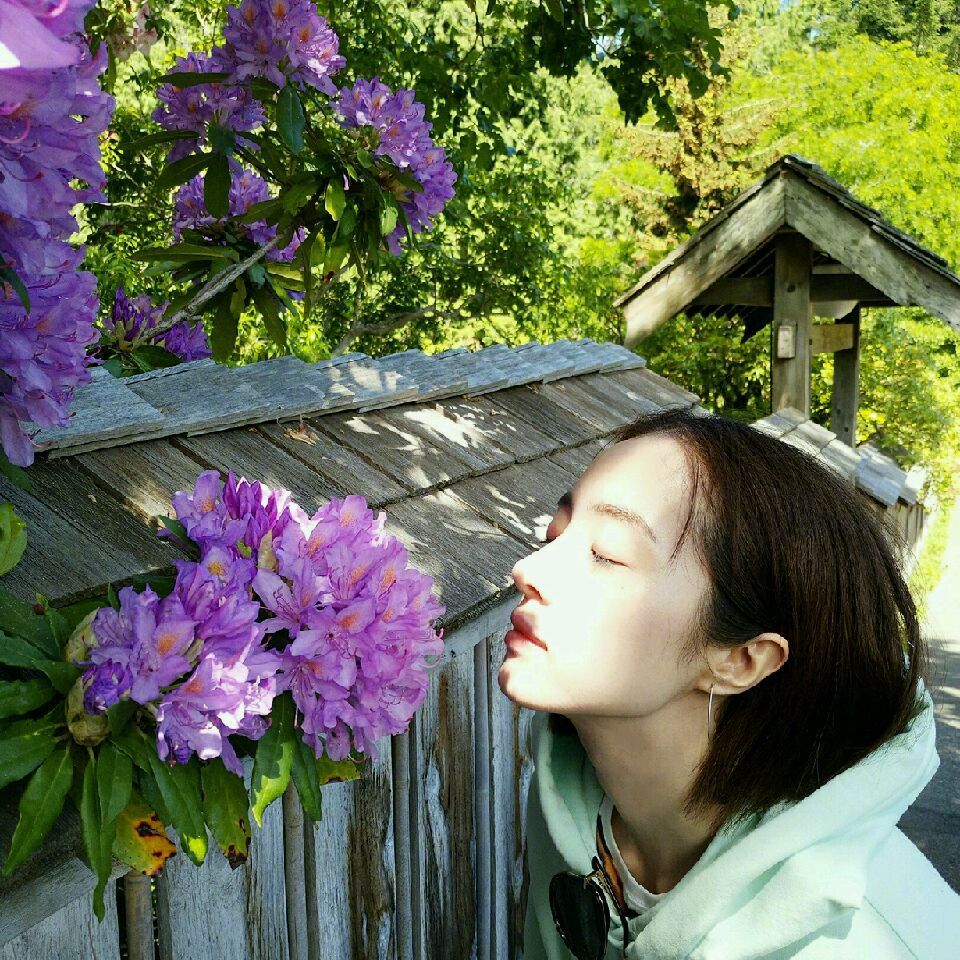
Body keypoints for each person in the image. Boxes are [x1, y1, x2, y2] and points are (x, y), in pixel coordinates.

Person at [498, 406, 960, 959]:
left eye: (607, 555)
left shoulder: (862, 941)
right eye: (556, 533)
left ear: (741, 660)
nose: (529, 569)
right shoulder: (566, 816)